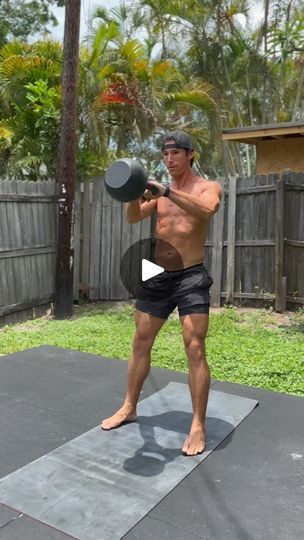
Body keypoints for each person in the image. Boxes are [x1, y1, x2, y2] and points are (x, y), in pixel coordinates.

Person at [101, 130, 222, 456]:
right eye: (165, 155)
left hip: (191, 274)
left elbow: (206, 211)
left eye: (175, 154)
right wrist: (132, 193)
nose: (169, 160)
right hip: (157, 274)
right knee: (140, 341)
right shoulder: (156, 193)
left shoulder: (207, 188)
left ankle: (198, 424)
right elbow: (133, 217)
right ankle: (129, 407)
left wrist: (166, 191)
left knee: (194, 346)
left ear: (190, 154)